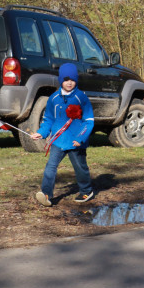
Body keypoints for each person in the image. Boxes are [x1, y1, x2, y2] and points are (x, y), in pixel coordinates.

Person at [31, 62, 95, 206]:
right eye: (66, 80)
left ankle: (86, 191)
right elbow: (48, 119)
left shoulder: (81, 97)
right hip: (58, 140)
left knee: (80, 168)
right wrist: (41, 133)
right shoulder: (53, 98)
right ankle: (46, 194)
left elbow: (89, 121)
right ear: (61, 80)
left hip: (75, 141)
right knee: (50, 167)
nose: (69, 83)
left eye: (72, 79)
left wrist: (81, 138)